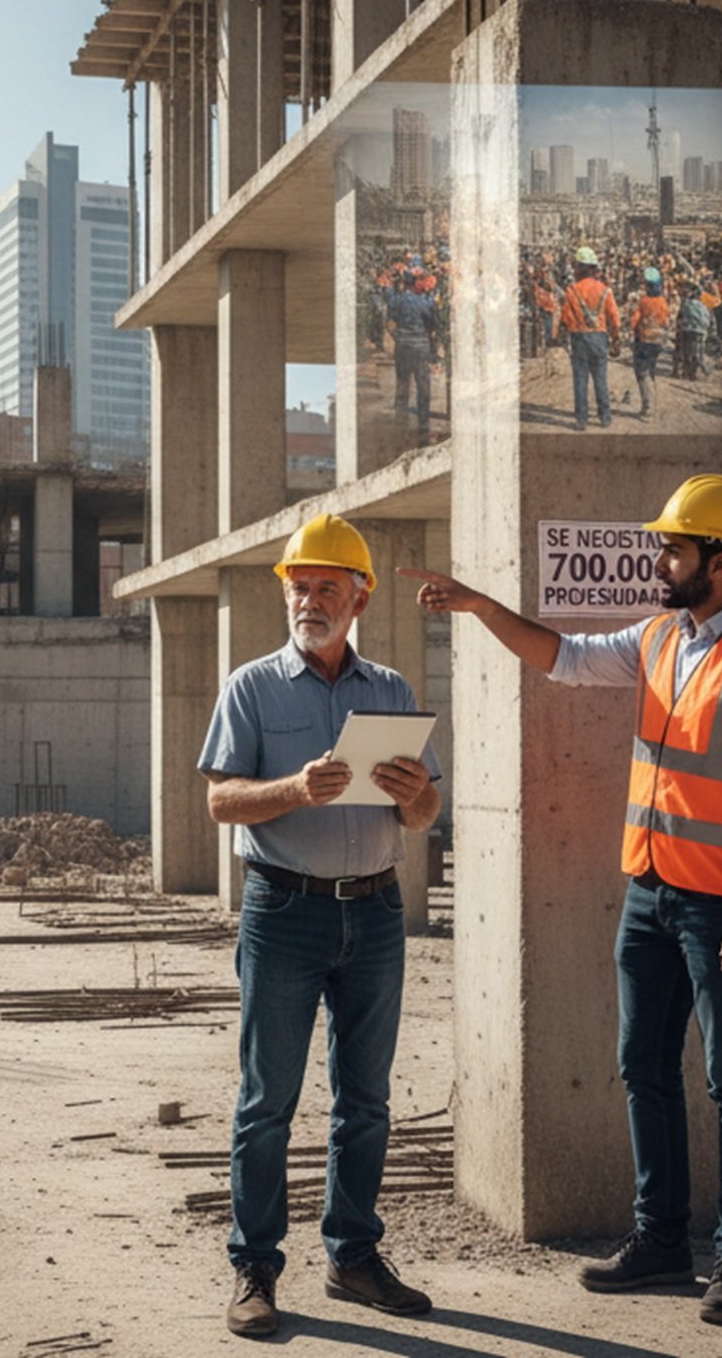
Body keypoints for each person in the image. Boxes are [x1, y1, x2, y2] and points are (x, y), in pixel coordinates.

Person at [398, 475, 722, 1327]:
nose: (659, 558)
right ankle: (661, 1239)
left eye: (674, 546)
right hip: (651, 892)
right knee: (643, 1067)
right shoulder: (664, 637)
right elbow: (566, 658)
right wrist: (483, 605)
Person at [201, 513, 443, 1339]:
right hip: (282, 910)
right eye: (299, 586)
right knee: (267, 1099)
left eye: (325, 587)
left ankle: (353, 1256)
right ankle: (255, 1266)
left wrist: (415, 794)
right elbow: (219, 799)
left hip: (375, 911)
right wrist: (295, 789)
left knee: (365, 1101)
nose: (308, 599)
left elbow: (426, 811)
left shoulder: (393, 691)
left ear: (360, 596)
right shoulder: (251, 687)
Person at [554, 245, 621, 430]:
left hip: (578, 338)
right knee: (601, 378)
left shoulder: (571, 290)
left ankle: (581, 420)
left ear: (579, 268)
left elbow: (566, 317)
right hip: (599, 337)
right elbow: (614, 318)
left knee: (580, 380)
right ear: (593, 268)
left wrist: (568, 330)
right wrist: (615, 337)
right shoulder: (605, 290)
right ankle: (605, 417)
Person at [387, 274, 439, 430]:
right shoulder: (426, 302)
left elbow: (390, 323)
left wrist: (398, 337)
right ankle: (423, 422)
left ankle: (400, 421)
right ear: (415, 284)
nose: (423, 285)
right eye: (421, 281)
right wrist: (433, 351)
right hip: (420, 347)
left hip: (402, 346)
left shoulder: (396, 300)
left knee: (402, 383)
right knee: (423, 385)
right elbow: (433, 327)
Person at [627, 267, 670, 417]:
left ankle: (648, 408)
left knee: (642, 373)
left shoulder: (643, 301)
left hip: (644, 340)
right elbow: (665, 321)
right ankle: (652, 402)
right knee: (651, 372)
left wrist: (631, 333)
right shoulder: (663, 302)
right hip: (658, 341)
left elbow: (634, 321)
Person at [675, 281, 710, 381]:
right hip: (700, 331)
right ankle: (693, 374)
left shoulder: (686, 304)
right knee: (696, 352)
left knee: (687, 352)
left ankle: (686, 373)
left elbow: (680, 317)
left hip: (688, 330)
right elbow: (708, 319)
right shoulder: (704, 306)